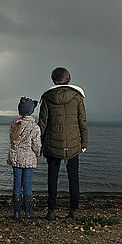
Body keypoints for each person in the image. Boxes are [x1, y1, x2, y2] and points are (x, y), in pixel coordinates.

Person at [38, 67, 88, 220]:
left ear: (54, 80)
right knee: (73, 177)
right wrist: (83, 143)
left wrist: (39, 144)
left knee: (52, 177)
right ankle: (73, 210)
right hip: (73, 145)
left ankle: (51, 211)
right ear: (68, 78)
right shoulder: (77, 98)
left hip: (52, 145)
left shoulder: (47, 98)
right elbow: (82, 122)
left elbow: (42, 124)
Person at [7, 97, 42, 220]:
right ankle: (28, 212)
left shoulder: (13, 124)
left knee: (16, 184)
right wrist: (37, 154)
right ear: (31, 111)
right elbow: (36, 146)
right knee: (27, 185)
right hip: (28, 159)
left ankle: (16, 213)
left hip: (16, 158)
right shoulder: (34, 127)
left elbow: (12, 141)